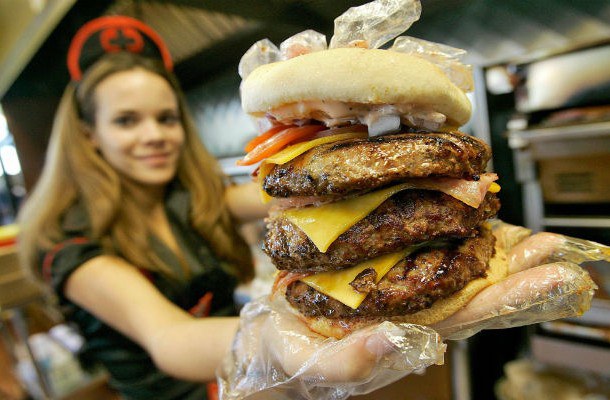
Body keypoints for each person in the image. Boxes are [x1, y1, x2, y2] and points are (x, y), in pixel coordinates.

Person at [16, 16, 269, 400]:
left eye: (166, 119)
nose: (154, 136)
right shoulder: (71, 242)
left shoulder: (190, 200)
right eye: (126, 121)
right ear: (90, 135)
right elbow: (170, 337)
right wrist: (284, 340)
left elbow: (267, 197)